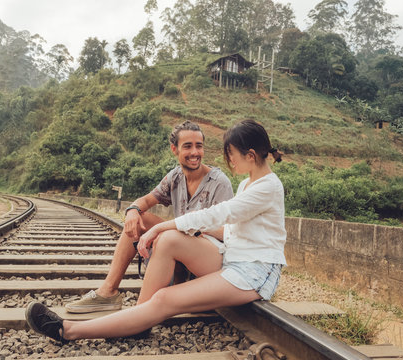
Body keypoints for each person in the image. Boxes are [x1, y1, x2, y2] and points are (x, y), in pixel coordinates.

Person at [25, 119, 286, 341]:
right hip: (234, 260)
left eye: (231, 154)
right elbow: (231, 230)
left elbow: (220, 214)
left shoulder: (268, 187)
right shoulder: (249, 184)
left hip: (254, 272)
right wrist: (176, 230)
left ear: (250, 155)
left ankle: (67, 330)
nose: (228, 161)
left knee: (163, 299)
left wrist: (163, 226)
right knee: (170, 240)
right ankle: (138, 319)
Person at [64, 120, 234, 313]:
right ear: (174, 149)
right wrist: (132, 211)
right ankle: (108, 291)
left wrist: (186, 226)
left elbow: (229, 233)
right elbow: (145, 200)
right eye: (188, 146)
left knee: (172, 235)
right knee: (141, 219)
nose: (195, 153)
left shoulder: (219, 183)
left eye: (199, 146)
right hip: (179, 252)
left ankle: (141, 314)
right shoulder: (175, 177)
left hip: (207, 261)